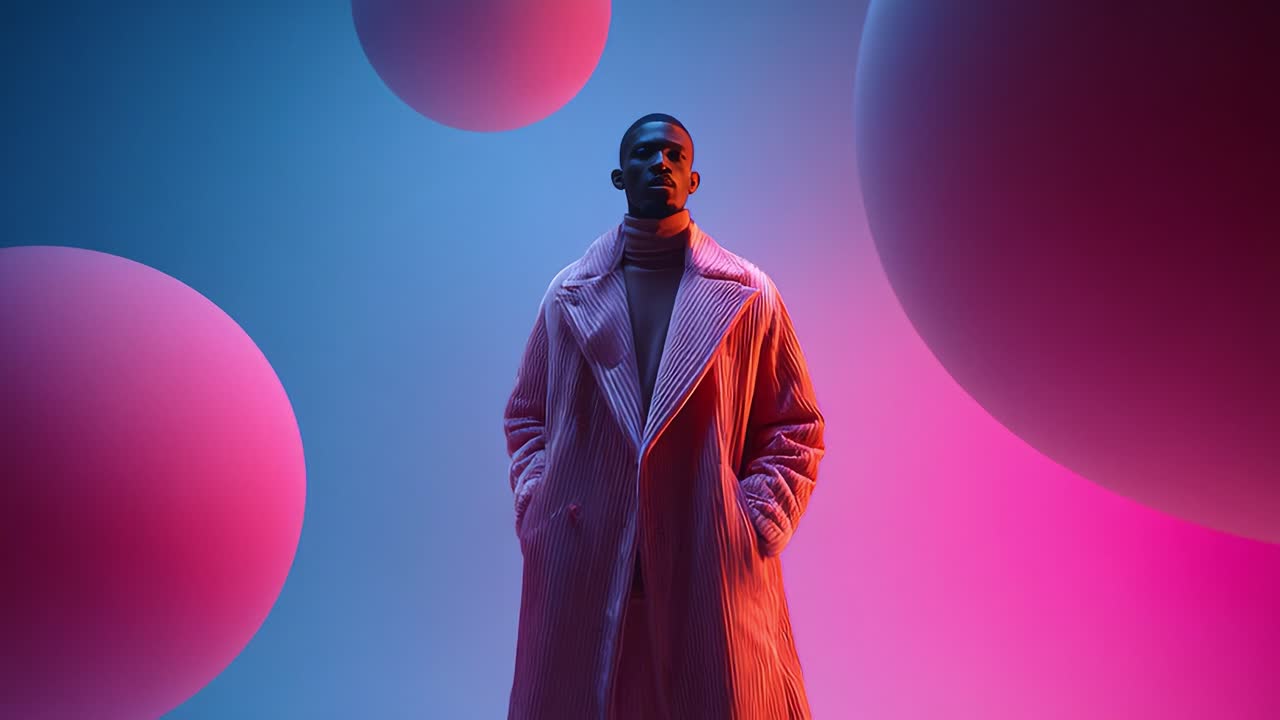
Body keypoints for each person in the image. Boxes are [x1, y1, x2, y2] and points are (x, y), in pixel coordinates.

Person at [504, 113, 825, 720]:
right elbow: (527, 418)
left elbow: (795, 425)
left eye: (675, 155)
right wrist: (541, 505)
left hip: (709, 559)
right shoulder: (568, 295)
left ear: (694, 178)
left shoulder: (749, 294)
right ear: (618, 176)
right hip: (586, 556)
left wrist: (749, 522)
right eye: (646, 153)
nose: (661, 164)